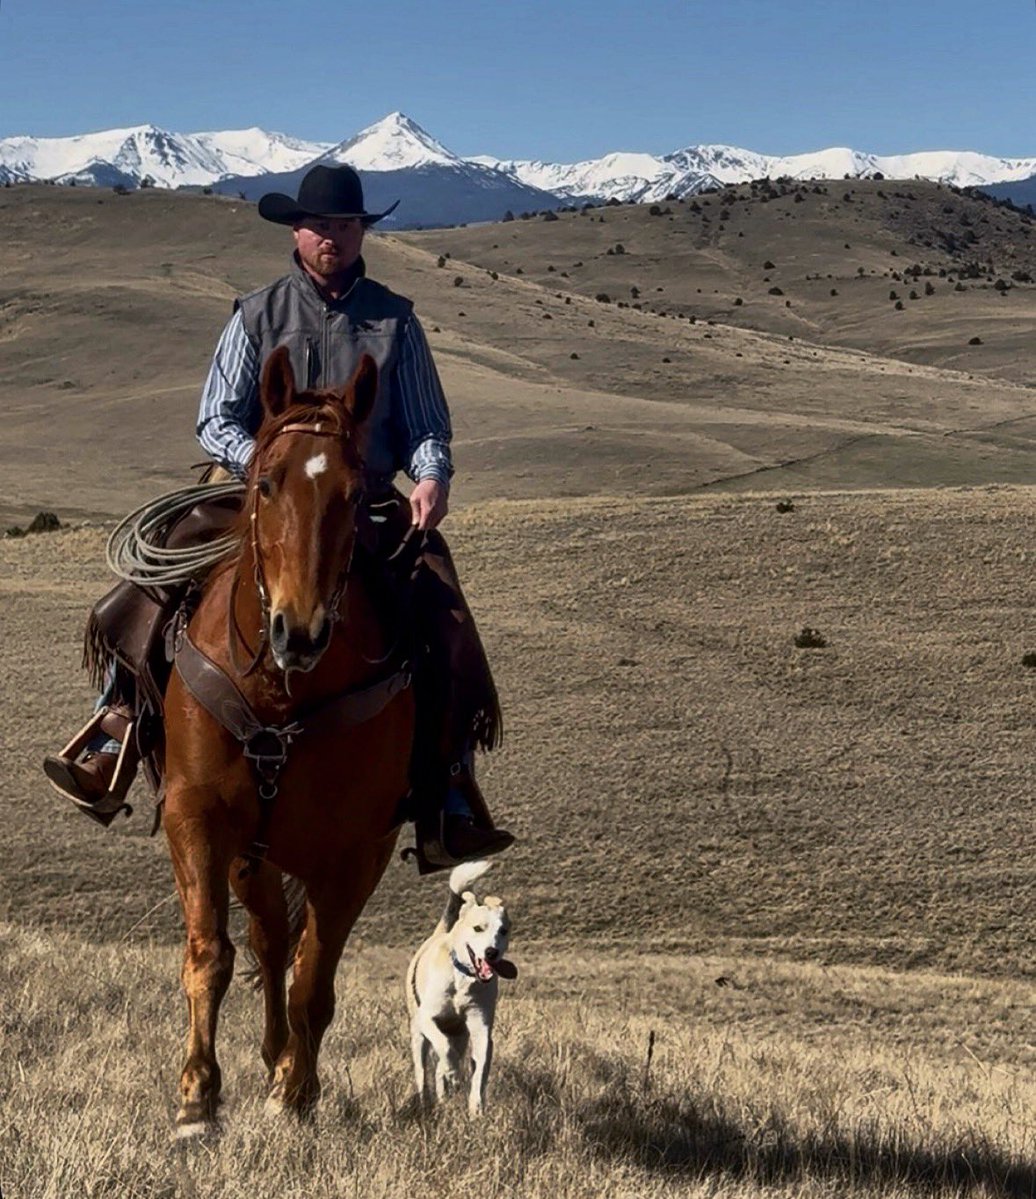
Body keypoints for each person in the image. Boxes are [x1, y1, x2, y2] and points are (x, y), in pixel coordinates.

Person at [44, 164, 514, 869]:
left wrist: (431, 476)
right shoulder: (256, 313)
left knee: (443, 610)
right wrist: (265, 467)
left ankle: (449, 789)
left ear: (361, 233)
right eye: (321, 225)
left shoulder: (396, 321)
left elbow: (426, 426)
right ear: (297, 231)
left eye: (345, 225)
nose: (333, 238)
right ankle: (115, 731)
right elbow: (215, 417)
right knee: (156, 570)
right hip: (254, 489)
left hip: (357, 497)